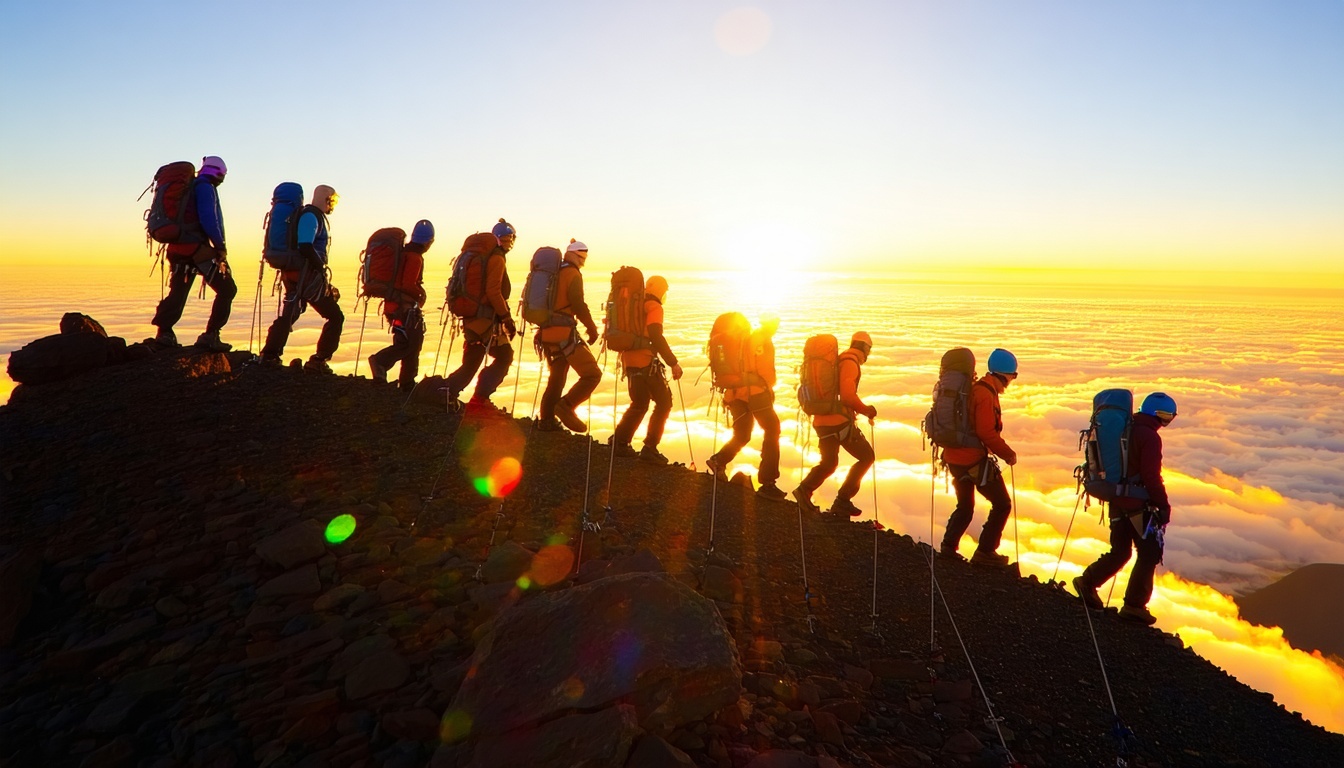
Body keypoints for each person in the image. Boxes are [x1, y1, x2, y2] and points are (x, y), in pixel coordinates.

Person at [1074, 393, 1177, 625]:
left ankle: (1087, 582)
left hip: (1116, 499)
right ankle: (1134, 605)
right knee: (1149, 552)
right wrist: (1163, 506)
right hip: (1137, 503)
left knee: (1121, 551)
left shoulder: (1126, 429)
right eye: (1167, 417)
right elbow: (1151, 476)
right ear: (1159, 415)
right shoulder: (1149, 437)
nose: (1167, 422)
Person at [938, 348, 1019, 565]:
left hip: (953, 457)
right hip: (971, 459)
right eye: (1014, 375)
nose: (1013, 380)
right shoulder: (985, 394)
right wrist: (1007, 453)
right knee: (1002, 504)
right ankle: (985, 552)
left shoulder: (975, 389)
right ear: (1006, 374)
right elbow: (985, 432)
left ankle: (948, 546)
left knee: (965, 505)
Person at [150, 156, 237, 352]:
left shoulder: (191, 187)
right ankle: (211, 335)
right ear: (218, 172)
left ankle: (164, 331)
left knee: (179, 291)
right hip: (197, 250)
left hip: (177, 247)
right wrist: (220, 245)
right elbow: (209, 219)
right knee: (227, 289)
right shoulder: (205, 187)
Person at [260, 185, 343, 372]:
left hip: (295, 274)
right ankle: (318, 360)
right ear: (326, 199)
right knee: (335, 316)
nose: (333, 206)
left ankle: (270, 355)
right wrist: (320, 267)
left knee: (290, 314)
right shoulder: (311, 216)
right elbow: (305, 244)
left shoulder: (308, 215)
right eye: (333, 201)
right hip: (306, 275)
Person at [793, 332, 877, 516]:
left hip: (821, 420)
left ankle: (804, 490)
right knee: (866, 457)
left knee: (830, 463)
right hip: (839, 422)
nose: (868, 354)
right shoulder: (850, 363)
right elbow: (847, 396)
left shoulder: (837, 360)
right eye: (869, 349)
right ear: (864, 347)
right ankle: (842, 501)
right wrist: (866, 410)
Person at [706, 316, 785, 500]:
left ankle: (718, 461)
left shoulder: (745, 339)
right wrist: (767, 386)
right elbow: (764, 370)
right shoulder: (761, 339)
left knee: (742, 434)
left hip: (735, 394)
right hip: (755, 393)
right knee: (772, 430)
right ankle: (768, 482)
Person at [445, 219, 517, 414]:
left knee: (492, 356)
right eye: (511, 238)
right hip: (485, 318)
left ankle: (463, 395)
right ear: (507, 239)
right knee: (484, 360)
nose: (511, 242)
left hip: (472, 314)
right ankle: (456, 394)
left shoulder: (478, 255)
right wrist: (507, 319)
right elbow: (494, 292)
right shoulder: (497, 258)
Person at [611, 275, 683, 463]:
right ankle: (650, 448)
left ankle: (619, 441)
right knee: (664, 403)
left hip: (628, 360)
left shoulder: (632, 304)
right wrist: (673, 362)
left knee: (640, 403)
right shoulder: (654, 307)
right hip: (645, 362)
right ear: (660, 290)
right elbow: (655, 336)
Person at [536, 240, 601, 433]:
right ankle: (566, 406)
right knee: (592, 375)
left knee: (557, 377)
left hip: (546, 332)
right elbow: (578, 304)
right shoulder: (572, 273)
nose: (583, 261)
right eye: (582, 257)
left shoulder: (553, 273)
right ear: (574, 254)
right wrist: (591, 328)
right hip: (563, 333)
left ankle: (546, 422)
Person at [368, 220, 434, 390]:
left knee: (408, 341)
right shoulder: (415, 258)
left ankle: (406, 383)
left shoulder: (403, 253)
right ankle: (381, 362)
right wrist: (420, 294)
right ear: (428, 241)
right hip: (403, 309)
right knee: (410, 343)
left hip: (394, 307)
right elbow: (407, 284)